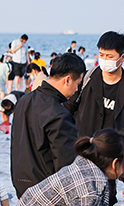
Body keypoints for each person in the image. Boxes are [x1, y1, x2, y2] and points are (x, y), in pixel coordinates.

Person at [69, 32, 124, 205]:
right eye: (101, 54)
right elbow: (66, 111)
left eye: (110, 56)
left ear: (122, 57)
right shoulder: (87, 79)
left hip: (110, 167)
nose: (105, 59)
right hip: (81, 159)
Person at [9, 52, 85, 197]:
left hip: (22, 187)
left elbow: (16, 148)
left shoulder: (24, 101)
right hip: (47, 193)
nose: (76, 90)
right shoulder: (59, 114)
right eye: (77, 84)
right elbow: (66, 167)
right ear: (67, 80)